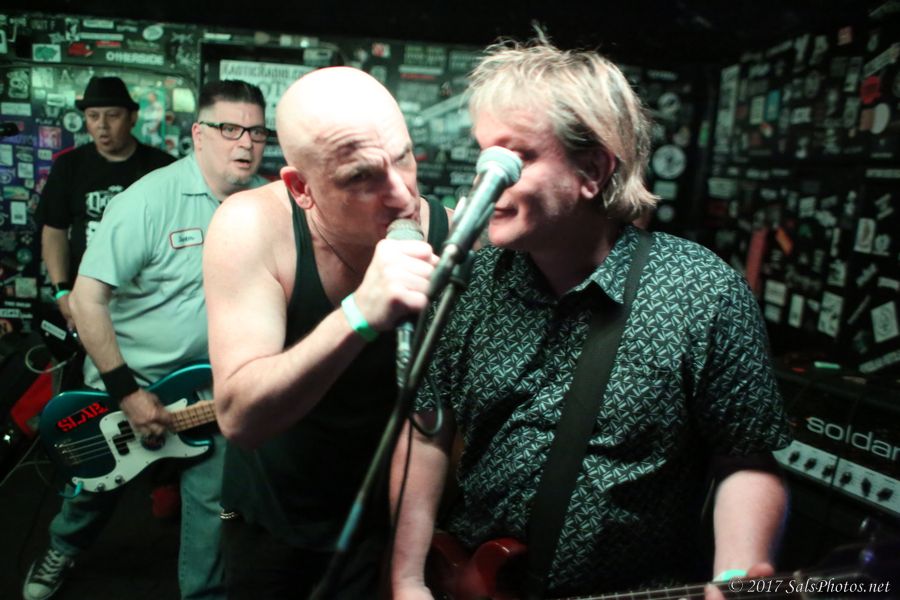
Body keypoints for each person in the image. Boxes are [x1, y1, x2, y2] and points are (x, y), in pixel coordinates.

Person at [391, 40, 791, 599]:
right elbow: (426, 433)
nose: (487, 179)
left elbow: (745, 457)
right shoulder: (468, 285)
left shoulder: (703, 292)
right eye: (484, 155)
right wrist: (408, 579)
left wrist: (736, 573)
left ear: (593, 170)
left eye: (516, 158)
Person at [203, 66, 449, 598]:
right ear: (301, 189)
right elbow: (240, 416)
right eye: (362, 177)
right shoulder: (252, 227)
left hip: (393, 518)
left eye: (404, 157)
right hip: (275, 518)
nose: (403, 195)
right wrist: (359, 314)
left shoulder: (451, 233)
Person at [23, 79, 269, 600]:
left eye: (257, 132)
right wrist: (128, 394)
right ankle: (62, 548)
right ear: (198, 134)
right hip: (129, 387)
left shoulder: (268, 204)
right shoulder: (148, 200)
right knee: (92, 495)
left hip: (211, 389)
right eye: (230, 128)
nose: (245, 143)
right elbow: (87, 301)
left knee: (212, 509)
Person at [36, 76, 173, 388]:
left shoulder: (162, 167)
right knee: (84, 390)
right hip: (87, 300)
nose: (102, 125)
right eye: (93, 116)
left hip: (147, 306)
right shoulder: (70, 166)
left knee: (151, 389)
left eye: (112, 115)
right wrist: (62, 291)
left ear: (132, 117)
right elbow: (54, 230)